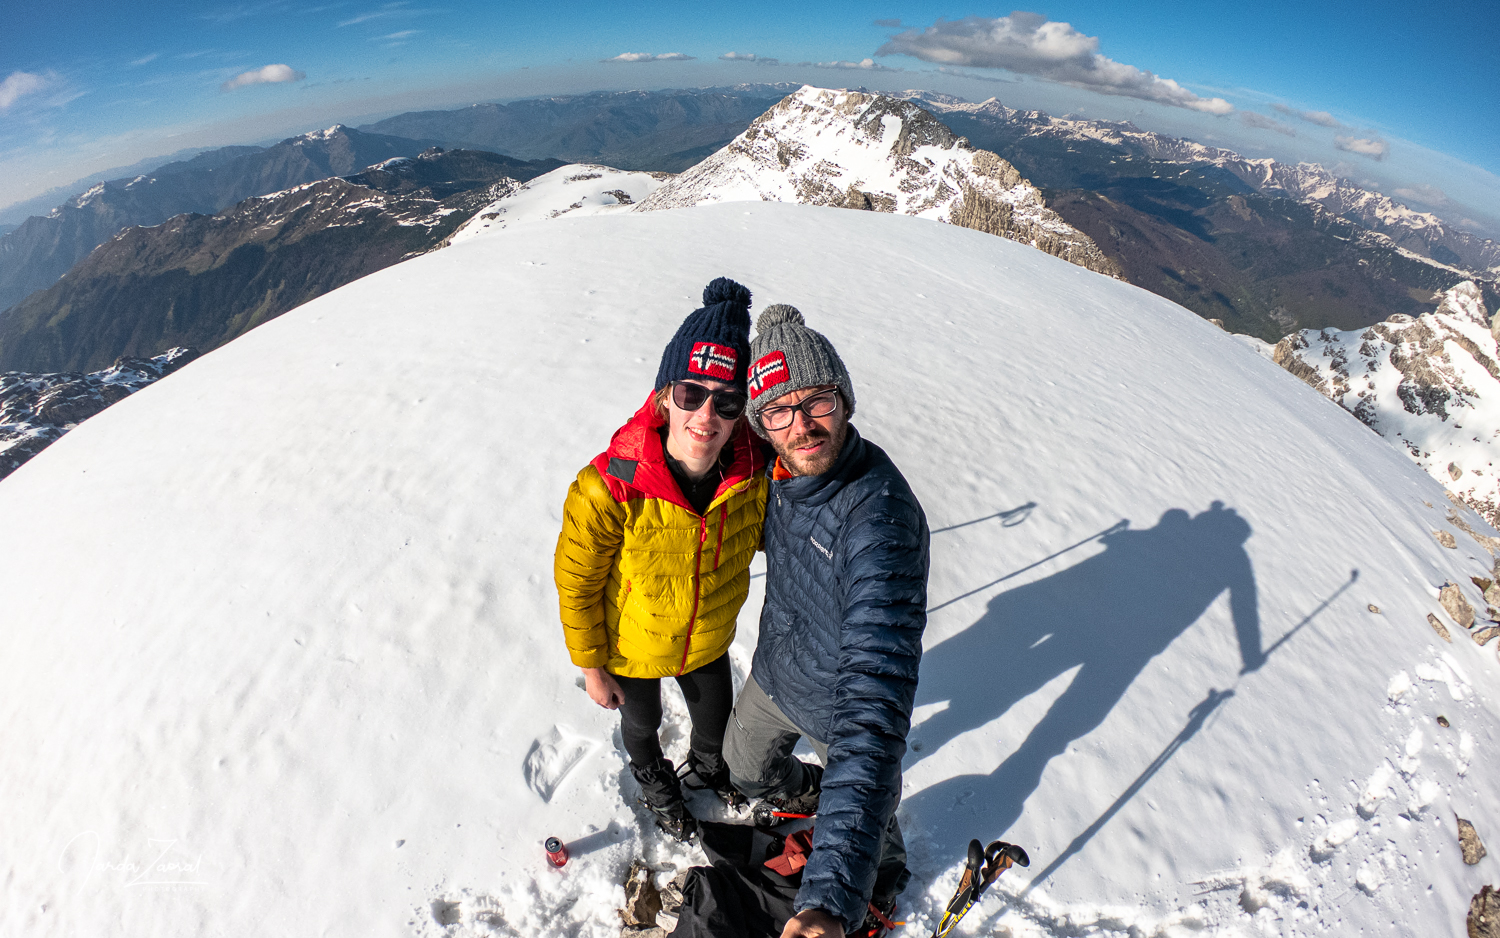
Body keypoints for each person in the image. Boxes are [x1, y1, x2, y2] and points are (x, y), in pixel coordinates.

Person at [725, 304, 930, 938]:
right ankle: (824, 798)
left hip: (840, 705)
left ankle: (876, 870)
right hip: (776, 674)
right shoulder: (776, 476)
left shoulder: (880, 523)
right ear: (762, 425)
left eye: (818, 403)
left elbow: (873, 709)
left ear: (845, 401)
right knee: (745, 772)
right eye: (780, 412)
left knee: (866, 780)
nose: (803, 426)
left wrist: (828, 899)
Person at [554, 278, 769, 842]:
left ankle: (709, 767)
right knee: (642, 722)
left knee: (715, 719)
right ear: (663, 396)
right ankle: (653, 780)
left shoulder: (752, 479)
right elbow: (577, 584)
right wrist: (592, 666)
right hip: (633, 643)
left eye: (726, 401)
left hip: (708, 637)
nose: (707, 415)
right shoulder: (609, 486)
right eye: (691, 394)